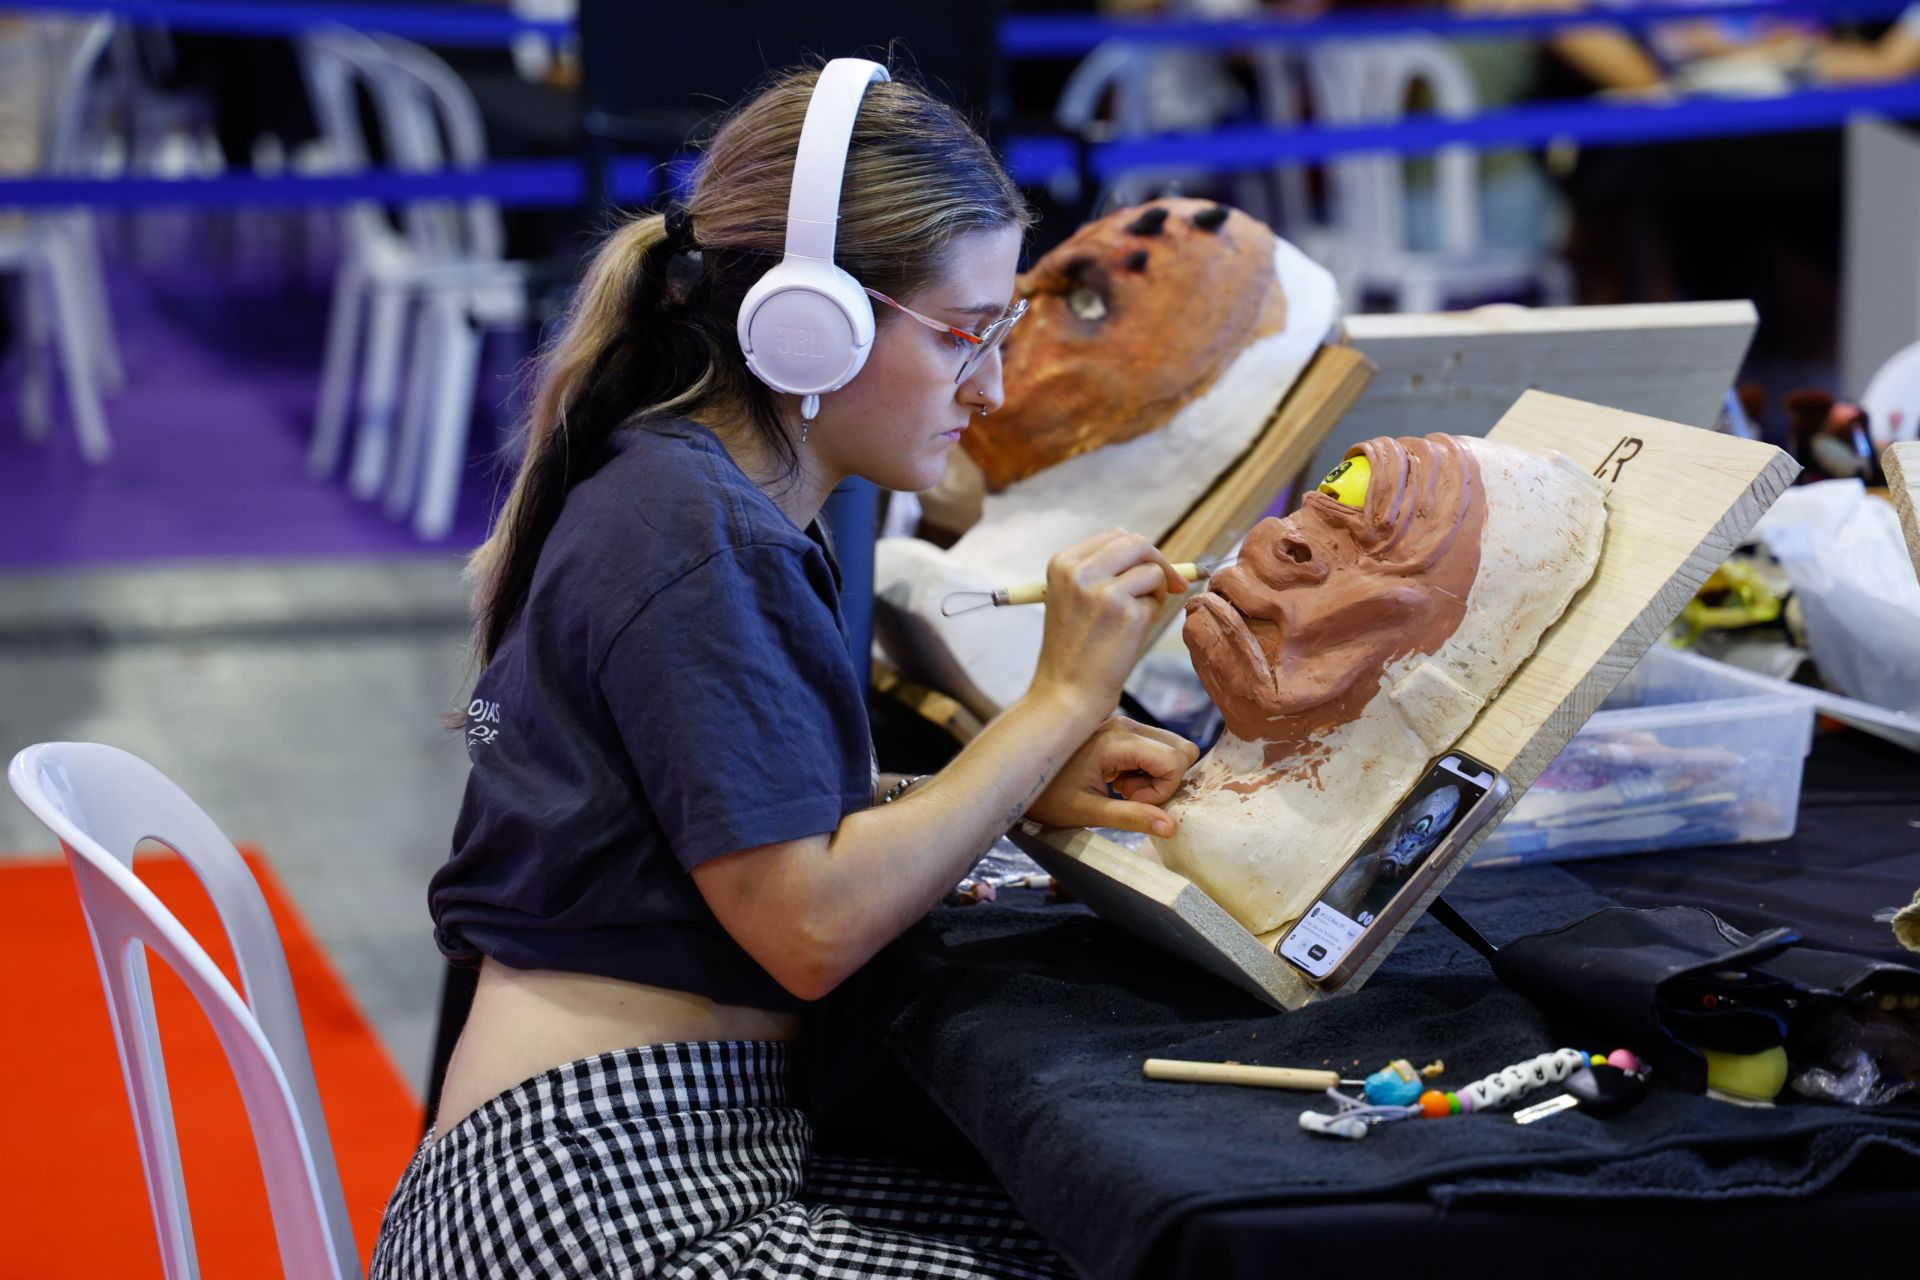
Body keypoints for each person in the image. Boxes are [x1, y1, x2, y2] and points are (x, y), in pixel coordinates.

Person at [371, 59, 1201, 1278]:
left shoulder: (697, 488)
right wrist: (1060, 701)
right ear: (814, 321)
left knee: (1117, 1240)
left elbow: (745, 830)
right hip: (594, 1198)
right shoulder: (696, 529)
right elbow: (807, 926)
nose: (994, 385)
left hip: (645, 1150)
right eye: (967, 335)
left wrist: (1012, 788)